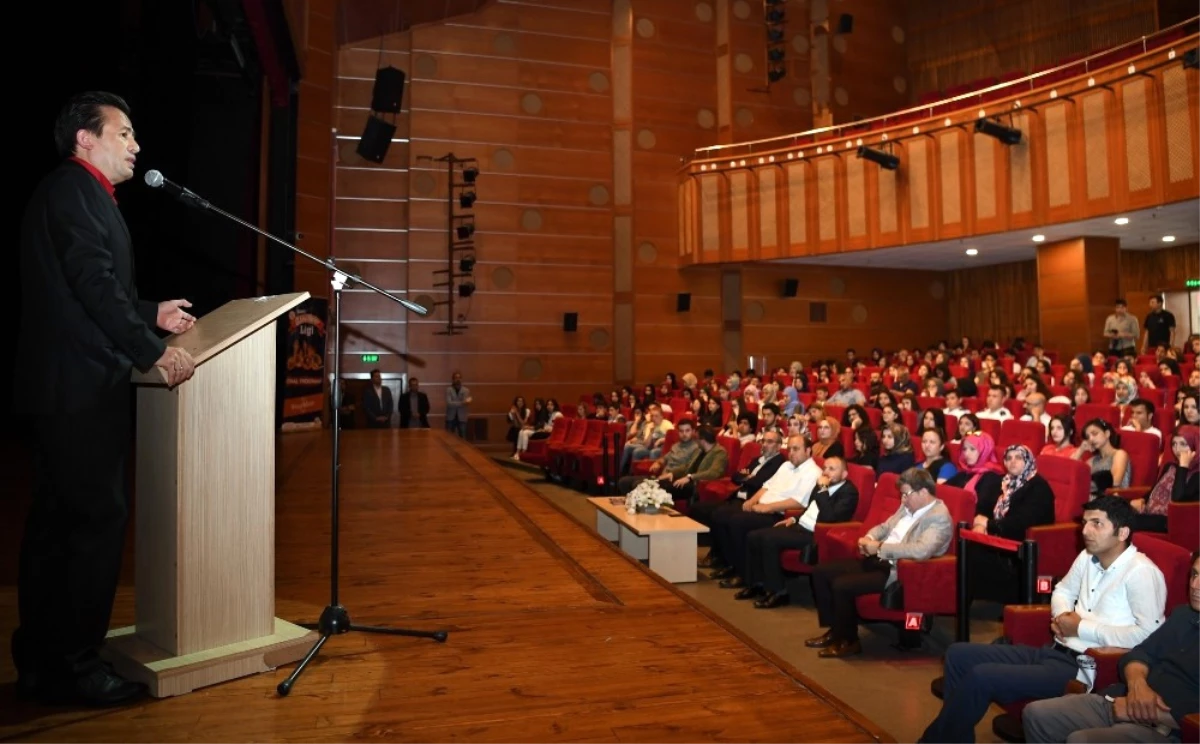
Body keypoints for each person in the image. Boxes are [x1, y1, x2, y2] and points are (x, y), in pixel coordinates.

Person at [14, 91, 198, 706]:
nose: (137, 146)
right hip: (81, 389)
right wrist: (151, 349)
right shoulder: (74, 191)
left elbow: (80, 291)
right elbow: (92, 286)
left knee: (57, 528)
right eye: (124, 133)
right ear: (84, 139)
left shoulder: (72, 193)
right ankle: (77, 667)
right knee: (92, 526)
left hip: (64, 388)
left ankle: (43, 660)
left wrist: (151, 311)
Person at [919, 496, 1167, 744]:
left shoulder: (1141, 573)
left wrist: (1081, 627)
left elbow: (1148, 635)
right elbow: (1062, 591)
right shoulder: (1087, 557)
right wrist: (1061, 617)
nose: (1086, 531)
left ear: (1122, 532)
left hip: (1085, 668)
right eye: (1084, 523)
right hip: (1055, 651)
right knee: (958, 654)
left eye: (1096, 524)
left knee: (981, 676)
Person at [1021, 549, 1200, 744]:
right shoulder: (1184, 615)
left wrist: (1147, 712)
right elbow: (1139, 654)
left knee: (1081, 740)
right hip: (1123, 698)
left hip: (1168, 728)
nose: (1194, 585)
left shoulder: (1141, 570)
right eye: (1195, 575)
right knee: (1037, 714)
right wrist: (1137, 685)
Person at [805, 468, 953, 658]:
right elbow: (885, 527)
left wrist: (880, 547)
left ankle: (849, 641)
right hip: (878, 559)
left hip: (897, 571)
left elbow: (921, 550)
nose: (903, 500)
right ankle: (835, 631)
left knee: (842, 585)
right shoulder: (908, 506)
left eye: (906, 494)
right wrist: (868, 537)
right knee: (821, 571)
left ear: (923, 492)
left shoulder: (938, 517)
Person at [738, 456, 860, 608]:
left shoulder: (848, 492)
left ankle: (778, 592)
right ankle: (757, 584)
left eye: (832, 469)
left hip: (815, 534)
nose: (826, 472)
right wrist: (794, 519)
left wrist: (823, 489)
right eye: (825, 468)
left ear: (844, 475)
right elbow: (809, 508)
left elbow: (829, 518)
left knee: (769, 540)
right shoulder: (822, 484)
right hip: (800, 526)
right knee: (754, 536)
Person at [709, 435, 822, 586]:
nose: (791, 453)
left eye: (796, 449)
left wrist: (767, 507)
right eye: (789, 449)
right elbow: (766, 486)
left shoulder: (812, 472)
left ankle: (743, 574)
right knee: (722, 515)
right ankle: (731, 564)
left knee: (738, 522)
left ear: (808, 451)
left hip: (778, 513)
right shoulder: (786, 466)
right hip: (762, 507)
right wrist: (752, 500)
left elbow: (799, 502)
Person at [967, 445, 1056, 603]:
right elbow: (985, 506)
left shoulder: (1038, 487)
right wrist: (980, 524)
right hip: (999, 536)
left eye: (1018, 458)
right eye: (1008, 458)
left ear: (1028, 461)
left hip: (1023, 544)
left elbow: (1021, 522)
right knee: (967, 547)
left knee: (972, 554)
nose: (1012, 462)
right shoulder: (1004, 482)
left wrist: (988, 525)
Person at [1127, 426, 1200, 533]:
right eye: (1174, 444)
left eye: (1183, 444)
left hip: (1170, 522)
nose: (1177, 449)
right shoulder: (1170, 466)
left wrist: (1183, 467)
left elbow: (1177, 499)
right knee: (1113, 506)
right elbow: (1155, 490)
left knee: (1124, 519)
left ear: (1196, 446)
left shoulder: (1197, 475)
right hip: (1150, 513)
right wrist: (1142, 499)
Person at [445, 371, 471, 437]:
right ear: (453, 379)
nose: (458, 379)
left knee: (463, 438)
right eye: (456, 378)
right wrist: (462, 402)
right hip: (451, 417)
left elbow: (466, 403)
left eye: (459, 378)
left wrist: (461, 403)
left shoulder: (466, 390)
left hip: (462, 417)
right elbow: (449, 403)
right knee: (448, 438)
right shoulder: (449, 390)